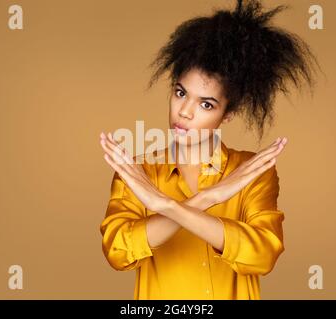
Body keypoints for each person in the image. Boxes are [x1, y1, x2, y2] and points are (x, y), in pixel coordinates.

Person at [99, 0, 318, 300]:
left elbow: (263, 254)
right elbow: (118, 251)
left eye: (206, 104)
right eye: (180, 93)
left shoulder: (250, 171)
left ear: (227, 114)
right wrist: (207, 200)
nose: (185, 112)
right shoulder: (137, 171)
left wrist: (168, 206)